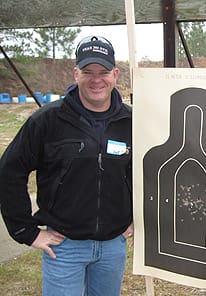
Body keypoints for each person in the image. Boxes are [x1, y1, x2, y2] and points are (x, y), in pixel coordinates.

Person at [0, 36, 133, 295]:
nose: (97, 80)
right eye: (88, 72)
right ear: (75, 73)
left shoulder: (131, 122)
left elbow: (144, 172)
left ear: (115, 74)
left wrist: (138, 216)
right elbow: (9, 171)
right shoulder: (47, 120)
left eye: (104, 72)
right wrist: (26, 231)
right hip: (64, 246)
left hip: (113, 246)